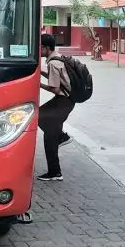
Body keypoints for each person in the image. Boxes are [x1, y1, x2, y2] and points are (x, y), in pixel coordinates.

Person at [38, 33, 74, 181]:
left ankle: (54, 172)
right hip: (67, 101)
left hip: (63, 101)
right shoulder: (58, 57)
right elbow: (57, 79)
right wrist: (40, 72)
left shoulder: (53, 63)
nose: (39, 50)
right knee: (44, 123)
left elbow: (55, 88)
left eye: (40, 47)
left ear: (46, 48)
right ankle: (61, 137)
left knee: (48, 134)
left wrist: (38, 84)